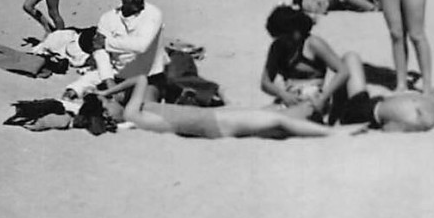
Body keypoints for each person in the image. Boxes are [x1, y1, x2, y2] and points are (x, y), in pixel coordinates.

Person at [95, 74, 336, 139]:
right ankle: (332, 132)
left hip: (209, 116)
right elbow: (142, 80)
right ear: (106, 114)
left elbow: (142, 81)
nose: (112, 102)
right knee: (276, 121)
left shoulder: (132, 118)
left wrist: (106, 93)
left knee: (269, 114)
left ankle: (313, 113)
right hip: (210, 123)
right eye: (108, 104)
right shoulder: (131, 115)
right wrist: (106, 92)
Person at [260, 4, 355, 120]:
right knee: (258, 118)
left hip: (312, 98)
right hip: (288, 97)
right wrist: (282, 94)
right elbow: (265, 82)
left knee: (279, 120)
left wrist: (323, 97)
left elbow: (343, 71)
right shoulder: (277, 47)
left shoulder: (312, 44)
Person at [92, 0, 166, 87]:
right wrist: (109, 80)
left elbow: (141, 46)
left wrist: (106, 43)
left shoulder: (153, 13)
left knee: (141, 104)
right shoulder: (107, 18)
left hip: (149, 79)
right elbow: (99, 51)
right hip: (118, 77)